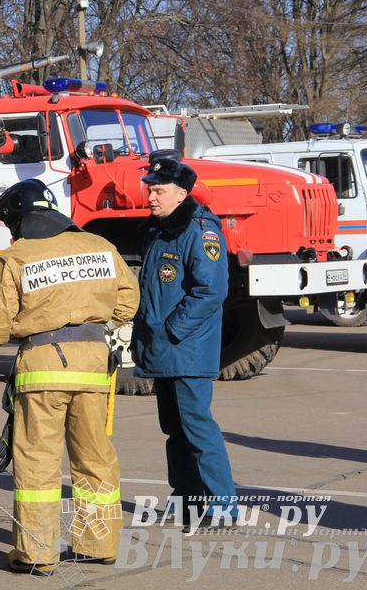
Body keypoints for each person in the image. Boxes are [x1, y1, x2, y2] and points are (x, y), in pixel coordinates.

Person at [0, 179, 139, 573]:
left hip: (42, 369)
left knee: (38, 462)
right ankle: (98, 543)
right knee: (95, 457)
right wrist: (91, 327)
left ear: (19, 221)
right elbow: (127, 301)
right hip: (93, 367)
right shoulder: (101, 246)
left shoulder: (14, 259)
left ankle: (37, 553)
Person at [131, 156, 239, 526]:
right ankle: (188, 502)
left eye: (159, 191)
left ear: (181, 194)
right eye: (150, 189)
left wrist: (171, 330)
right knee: (175, 431)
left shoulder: (200, 231)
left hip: (186, 350)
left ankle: (222, 507)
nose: (151, 196)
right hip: (164, 349)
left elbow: (211, 291)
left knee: (197, 429)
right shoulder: (159, 230)